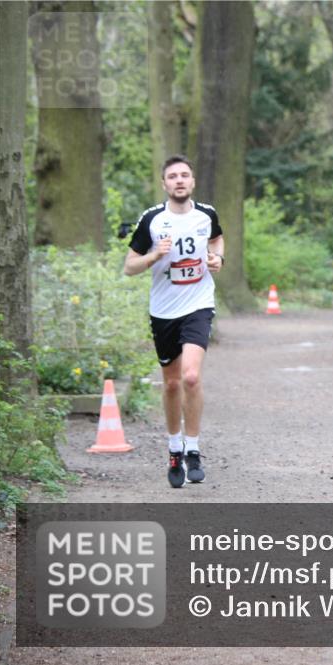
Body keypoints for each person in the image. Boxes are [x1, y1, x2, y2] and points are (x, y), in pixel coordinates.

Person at [124, 155, 224, 488]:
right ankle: (173, 448)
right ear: (164, 184)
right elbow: (130, 266)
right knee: (170, 384)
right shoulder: (152, 219)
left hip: (198, 304)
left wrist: (217, 258)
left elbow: (217, 240)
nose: (179, 180)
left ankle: (193, 449)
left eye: (184, 175)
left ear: (192, 182)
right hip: (164, 310)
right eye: (172, 176)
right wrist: (155, 255)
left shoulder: (206, 214)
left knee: (191, 377)